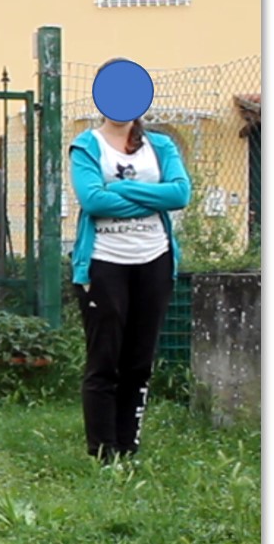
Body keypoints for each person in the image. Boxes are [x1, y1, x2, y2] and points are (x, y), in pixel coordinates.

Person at [68, 59, 192, 466]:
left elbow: (179, 195)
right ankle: (103, 454)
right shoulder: (87, 146)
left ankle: (128, 448)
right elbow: (93, 200)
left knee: (139, 361)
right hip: (104, 263)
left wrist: (121, 189)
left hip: (153, 261)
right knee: (105, 359)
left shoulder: (162, 146)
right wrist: (147, 192)